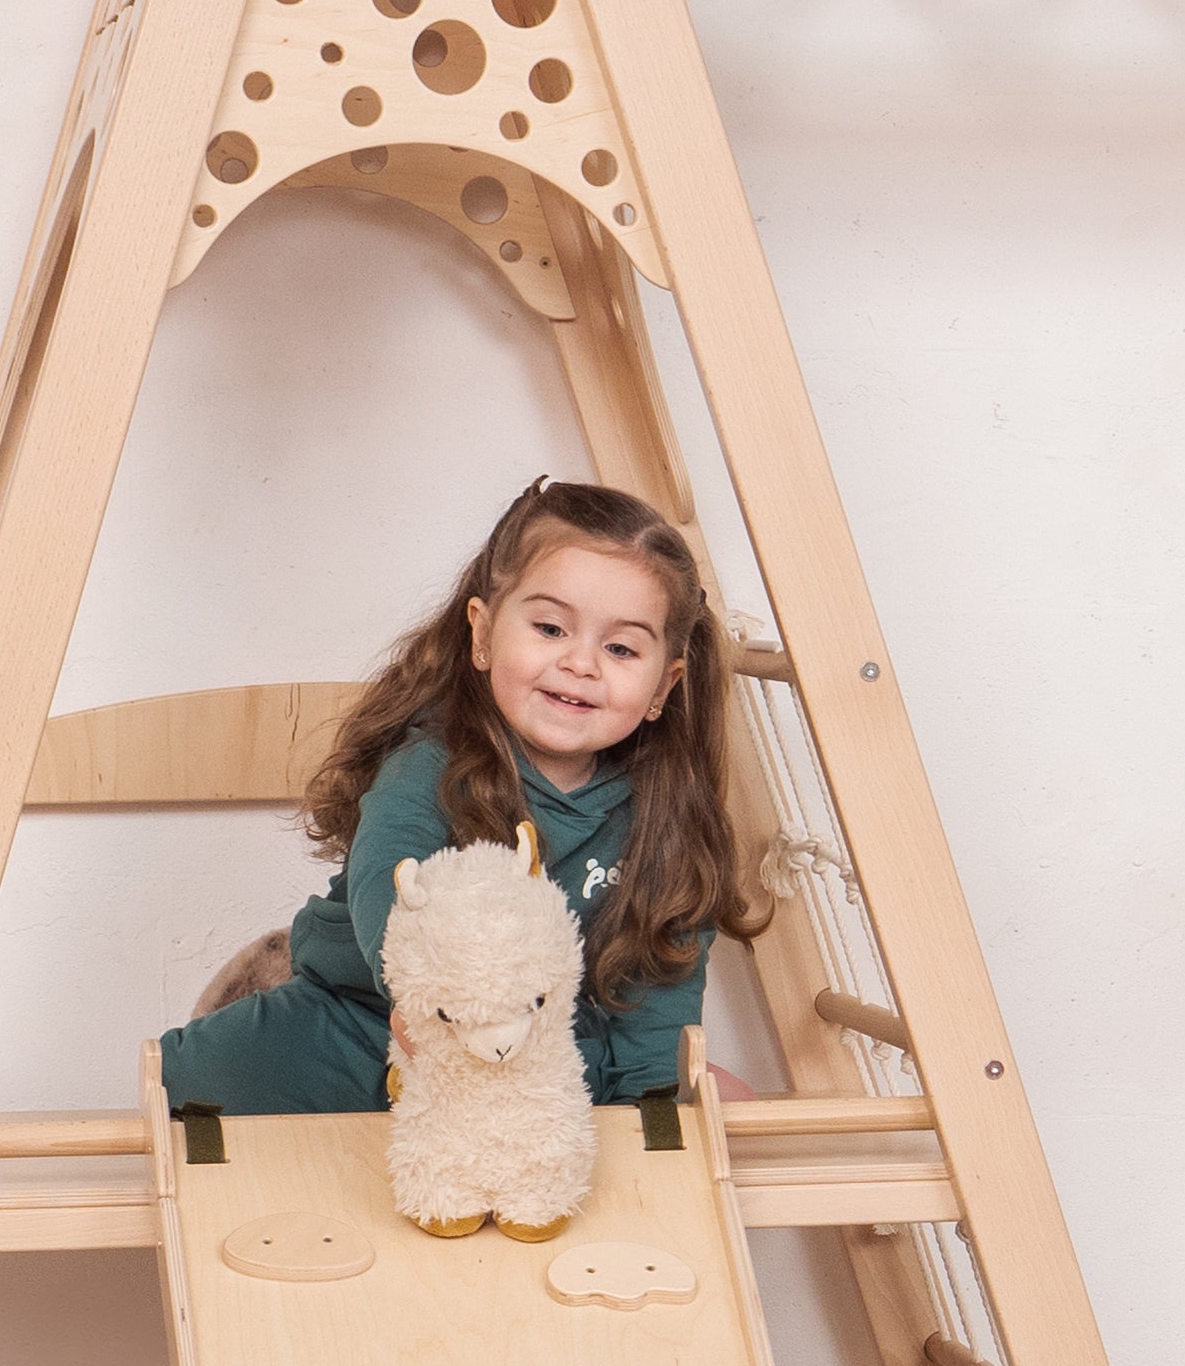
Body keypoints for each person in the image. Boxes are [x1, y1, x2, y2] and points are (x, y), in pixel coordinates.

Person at [156, 476, 768, 1115]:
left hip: (537, 1047)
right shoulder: (429, 768)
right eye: (551, 629)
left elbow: (658, 989)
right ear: (482, 634)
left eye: (620, 648)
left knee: (717, 1101)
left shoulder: (663, 817)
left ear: (663, 687)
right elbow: (386, 894)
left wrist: (656, 1105)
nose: (581, 663)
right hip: (368, 1017)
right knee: (195, 1086)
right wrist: (429, 1007)